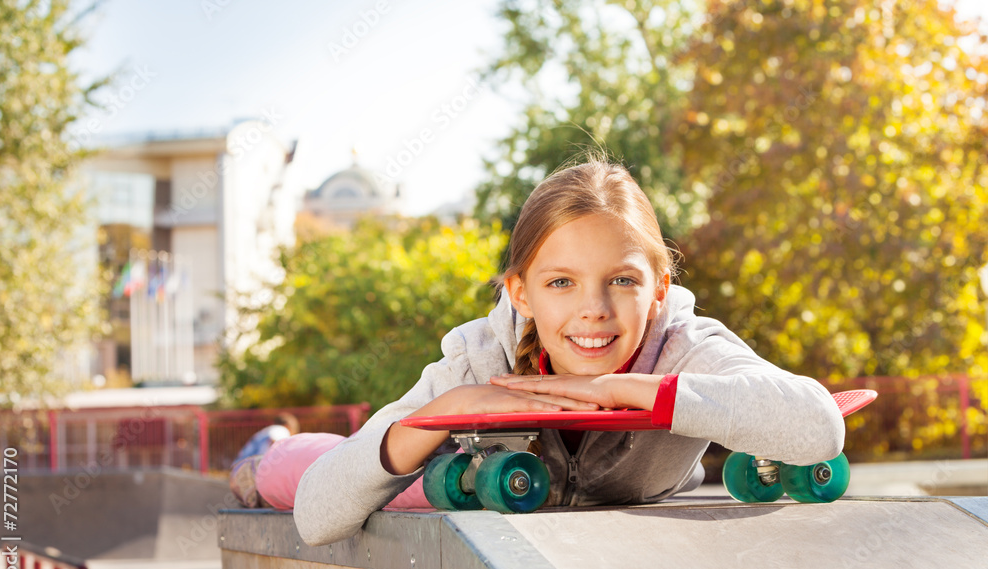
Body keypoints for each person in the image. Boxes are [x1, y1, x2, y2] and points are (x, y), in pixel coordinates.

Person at [293, 158, 844, 547]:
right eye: (561, 283)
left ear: (658, 288)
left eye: (623, 280)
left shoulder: (684, 347)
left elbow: (817, 426)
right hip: (434, 487)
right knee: (286, 467)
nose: (594, 309)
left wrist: (624, 392)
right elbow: (315, 515)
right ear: (520, 293)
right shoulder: (478, 362)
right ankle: (263, 450)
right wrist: (445, 411)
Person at [234, 413, 300, 463]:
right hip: (251, 467)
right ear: (287, 427)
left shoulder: (265, 432)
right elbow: (275, 441)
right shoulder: (281, 430)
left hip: (240, 466)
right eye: (293, 435)